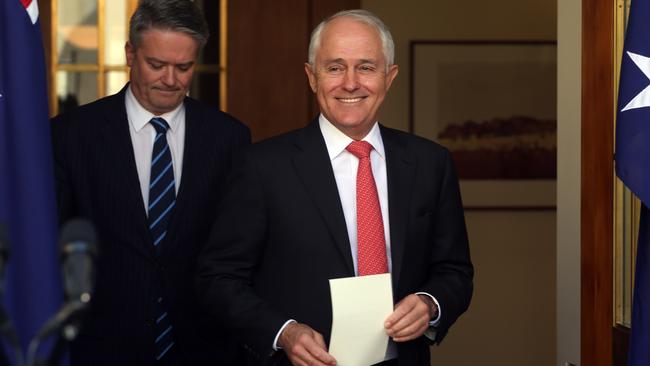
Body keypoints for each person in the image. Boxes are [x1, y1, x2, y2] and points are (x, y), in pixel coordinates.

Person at [197, 9, 473, 366]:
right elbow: (217, 279)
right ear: (312, 77)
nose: (350, 83)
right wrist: (284, 332)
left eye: (367, 67)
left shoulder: (430, 163)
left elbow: (455, 272)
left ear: (390, 78)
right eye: (335, 67)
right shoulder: (262, 167)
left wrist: (430, 303)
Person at [51, 0, 250, 364]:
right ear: (130, 53)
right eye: (156, 65)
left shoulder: (230, 138)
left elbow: (237, 250)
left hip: (203, 347)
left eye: (184, 66)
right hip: (101, 347)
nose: (171, 80)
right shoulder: (71, 136)